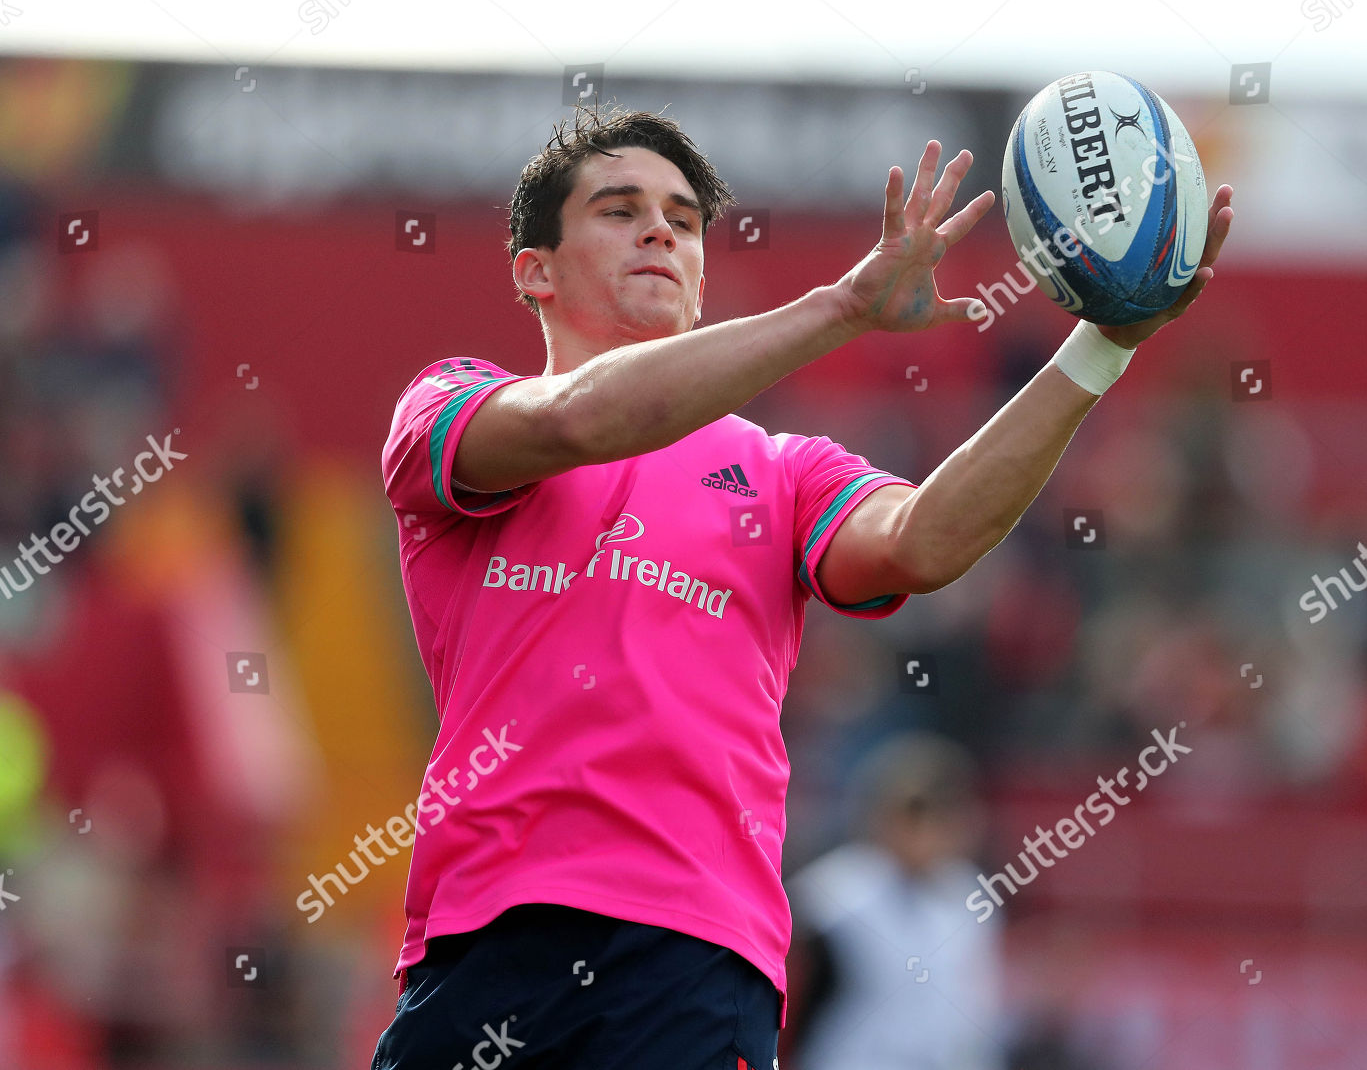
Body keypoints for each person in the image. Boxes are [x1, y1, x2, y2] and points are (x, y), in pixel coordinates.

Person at [372, 103, 1233, 1069]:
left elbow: (923, 539)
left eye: (684, 219)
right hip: (490, 939)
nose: (661, 228)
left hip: (697, 962)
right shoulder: (450, 403)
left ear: (701, 277)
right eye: (619, 210)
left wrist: (1103, 345)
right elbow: (577, 420)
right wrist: (843, 307)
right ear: (533, 269)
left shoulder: (782, 473)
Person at [786, 731, 1007, 1070]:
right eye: (914, 816)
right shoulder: (831, 894)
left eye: (941, 816)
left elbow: (976, 1008)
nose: (926, 833)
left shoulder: (971, 896)